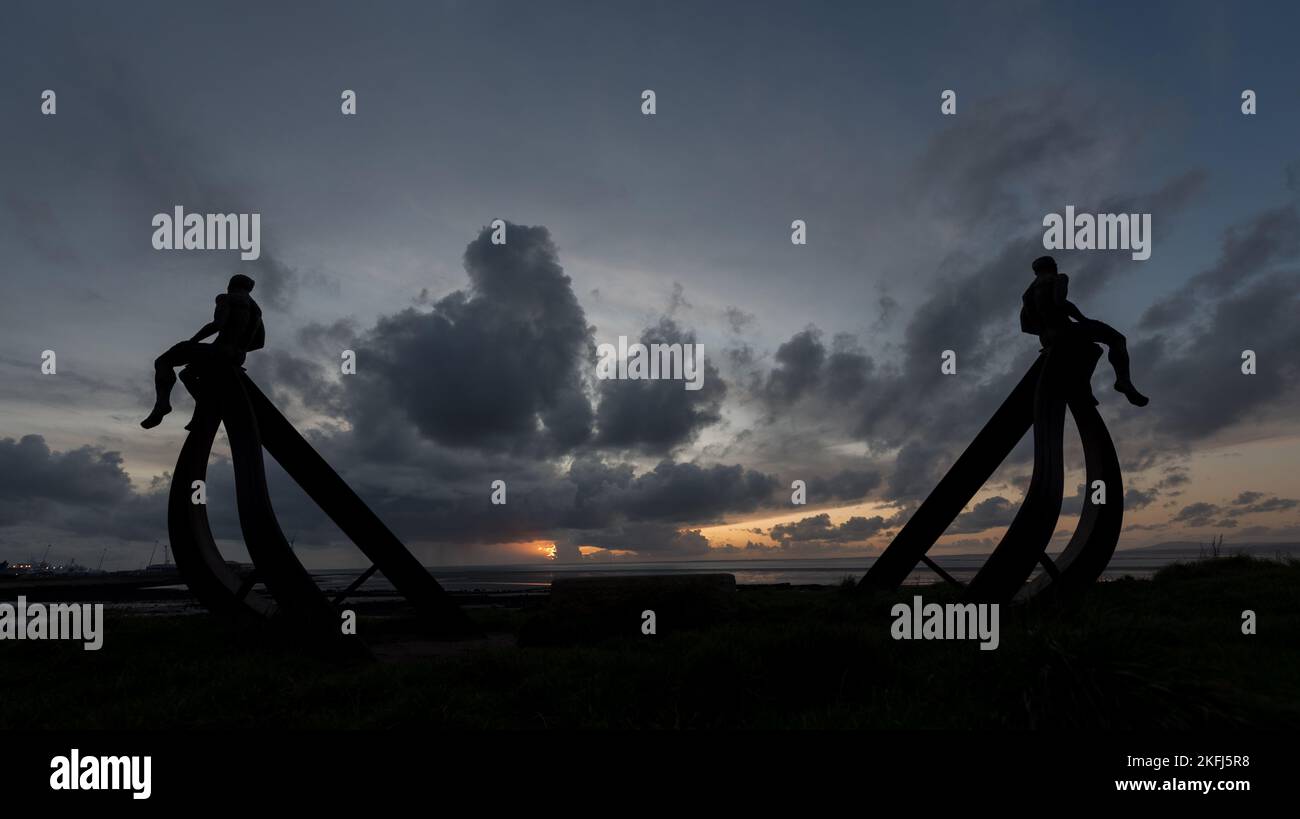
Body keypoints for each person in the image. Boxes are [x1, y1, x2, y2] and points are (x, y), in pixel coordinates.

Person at [1019, 255, 1149, 407]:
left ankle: (1084, 388)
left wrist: (1045, 331)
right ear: (1053, 266)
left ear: (1036, 272)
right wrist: (1083, 320)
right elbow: (1060, 302)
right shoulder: (1058, 278)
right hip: (1066, 331)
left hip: (1046, 338)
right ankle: (1123, 380)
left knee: (1091, 350)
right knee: (1117, 338)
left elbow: (1025, 326)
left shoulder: (1028, 294)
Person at [141, 273, 265, 428]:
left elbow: (218, 324)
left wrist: (192, 341)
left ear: (231, 285)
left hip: (219, 352)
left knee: (162, 361)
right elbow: (259, 343)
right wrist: (240, 349)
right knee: (187, 374)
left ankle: (162, 404)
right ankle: (203, 406)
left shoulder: (227, 298)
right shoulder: (256, 310)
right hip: (237, 357)